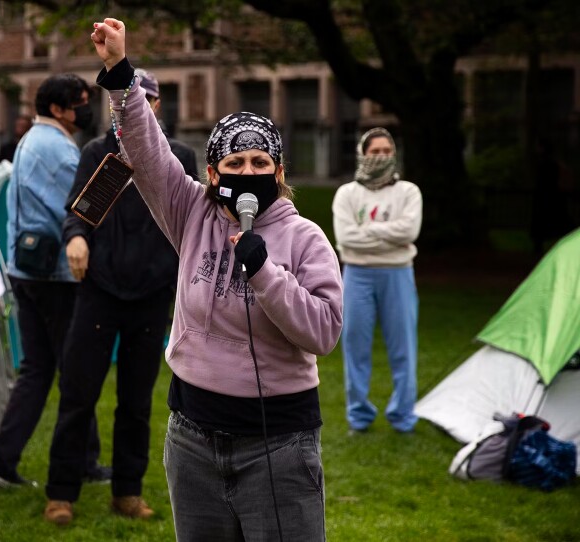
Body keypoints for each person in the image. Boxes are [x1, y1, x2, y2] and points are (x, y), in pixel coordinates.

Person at [90, 19, 343, 541]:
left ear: (276, 173)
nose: (246, 172)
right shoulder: (190, 212)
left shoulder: (305, 238)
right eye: (234, 162)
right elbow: (147, 150)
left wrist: (266, 272)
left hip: (278, 445)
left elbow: (323, 332)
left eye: (258, 162)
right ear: (211, 173)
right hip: (193, 439)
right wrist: (119, 72)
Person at [43, 69, 199, 525]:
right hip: (100, 293)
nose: (140, 108)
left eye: (148, 100)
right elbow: (80, 213)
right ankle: (61, 493)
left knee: (136, 401)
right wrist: (76, 238)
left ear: (155, 108)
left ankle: (127, 491)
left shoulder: (178, 158)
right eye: (130, 101)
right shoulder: (102, 153)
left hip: (151, 296)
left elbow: (195, 226)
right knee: (78, 394)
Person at [0, 73, 107, 488]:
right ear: (57, 109)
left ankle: (1, 461)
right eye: (81, 102)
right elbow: (85, 205)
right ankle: (82, 463)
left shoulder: (30, 140)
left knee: (38, 370)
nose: (87, 110)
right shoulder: (58, 148)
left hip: (25, 270)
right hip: (55, 277)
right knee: (76, 370)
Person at [331, 127, 422, 435]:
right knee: (355, 346)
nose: (381, 156)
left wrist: (367, 231)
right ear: (363, 154)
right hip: (357, 275)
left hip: (398, 273)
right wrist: (388, 233)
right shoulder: (347, 194)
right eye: (375, 151)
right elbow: (345, 237)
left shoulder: (408, 192)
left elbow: (409, 232)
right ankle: (359, 416)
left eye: (387, 151)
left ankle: (403, 415)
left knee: (403, 347)